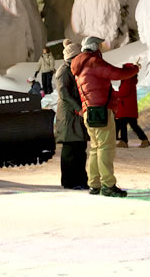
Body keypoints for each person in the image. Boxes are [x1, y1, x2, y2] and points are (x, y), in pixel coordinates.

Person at [72, 36, 139, 198]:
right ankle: (108, 185)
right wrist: (134, 69)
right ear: (94, 47)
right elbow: (116, 73)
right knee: (105, 147)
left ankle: (94, 184)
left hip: (89, 111)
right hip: (101, 111)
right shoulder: (93, 62)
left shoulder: (79, 66)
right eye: (99, 46)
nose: (100, 49)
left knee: (95, 148)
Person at [53, 39, 88, 190]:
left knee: (80, 148)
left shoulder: (73, 69)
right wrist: (78, 107)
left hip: (75, 114)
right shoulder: (63, 71)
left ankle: (80, 179)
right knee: (70, 149)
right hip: (68, 115)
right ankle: (69, 181)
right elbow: (64, 94)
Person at [115, 73, 150, 148]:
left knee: (123, 124)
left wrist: (114, 93)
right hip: (129, 108)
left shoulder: (127, 79)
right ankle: (144, 140)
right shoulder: (131, 79)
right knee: (133, 125)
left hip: (125, 108)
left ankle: (124, 141)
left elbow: (123, 92)